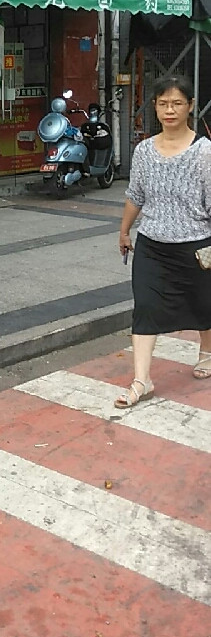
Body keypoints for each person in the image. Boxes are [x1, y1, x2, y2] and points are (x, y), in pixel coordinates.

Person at [116, 73, 211, 407]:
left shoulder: (205, 152)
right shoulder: (143, 151)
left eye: (177, 103)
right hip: (152, 245)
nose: (169, 110)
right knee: (145, 306)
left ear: (190, 107)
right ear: (154, 107)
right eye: (163, 103)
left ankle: (207, 350)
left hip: (196, 246)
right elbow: (135, 196)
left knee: (203, 305)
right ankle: (142, 379)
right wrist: (125, 230)